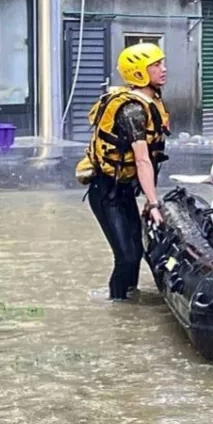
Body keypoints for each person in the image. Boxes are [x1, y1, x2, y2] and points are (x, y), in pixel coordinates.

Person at [77, 42, 170, 301]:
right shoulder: (132, 111)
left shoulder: (151, 101)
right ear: (139, 71)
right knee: (126, 256)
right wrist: (153, 203)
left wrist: (148, 198)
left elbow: (153, 157)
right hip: (106, 193)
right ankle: (116, 306)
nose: (164, 69)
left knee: (136, 252)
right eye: (156, 65)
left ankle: (129, 299)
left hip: (124, 190)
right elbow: (141, 160)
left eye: (162, 63)